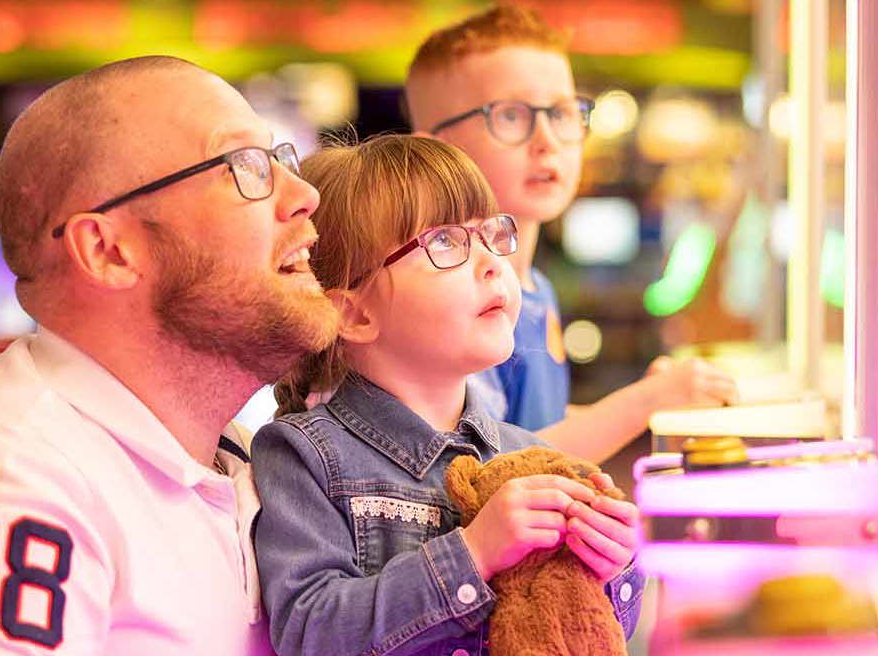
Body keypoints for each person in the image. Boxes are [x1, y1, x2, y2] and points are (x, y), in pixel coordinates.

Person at [0, 56, 336, 654]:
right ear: (108, 250)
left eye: (281, 160)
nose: (304, 196)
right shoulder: (2, 476)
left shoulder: (239, 460)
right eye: (244, 168)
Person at [254, 135, 644, 655]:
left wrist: (616, 565)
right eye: (445, 243)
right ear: (354, 313)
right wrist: (472, 554)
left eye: (491, 234)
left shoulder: (531, 457)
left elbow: (583, 628)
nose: (491, 263)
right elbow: (310, 631)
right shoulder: (305, 456)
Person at [403, 4, 736, 461]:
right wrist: (644, 402)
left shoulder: (534, 287)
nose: (547, 140)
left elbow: (536, 428)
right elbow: (488, 463)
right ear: (434, 150)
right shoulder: (450, 297)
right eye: (511, 115)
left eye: (561, 113)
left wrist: (653, 395)